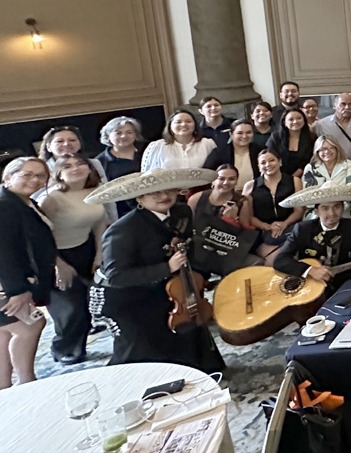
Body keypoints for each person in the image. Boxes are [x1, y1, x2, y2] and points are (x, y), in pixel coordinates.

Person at [90, 168, 225, 372]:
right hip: (122, 295)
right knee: (142, 343)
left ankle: (195, 371)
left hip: (165, 285)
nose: (164, 196)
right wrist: (167, 267)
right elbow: (117, 276)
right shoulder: (123, 230)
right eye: (155, 192)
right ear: (140, 198)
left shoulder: (182, 211)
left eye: (168, 189)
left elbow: (188, 246)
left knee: (186, 323)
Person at [0, 158, 55, 390]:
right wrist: (17, 290)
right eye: (27, 174)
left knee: (3, 335)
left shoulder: (21, 201)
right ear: (8, 178)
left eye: (41, 175)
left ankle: (0, 390)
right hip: (1, 285)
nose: (35, 180)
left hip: (1, 283)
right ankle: (27, 384)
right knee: (30, 326)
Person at [38, 155, 108, 364]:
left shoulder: (95, 191)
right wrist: (58, 264)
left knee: (88, 303)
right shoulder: (52, 198)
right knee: (70, 308)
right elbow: (41, 236)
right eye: (67, 166)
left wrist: (99, 254)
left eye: (80, 163)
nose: (75, 168)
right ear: (59, 173)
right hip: (56, 256)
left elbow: (99, 224)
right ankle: (62, 348)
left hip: (85, 249)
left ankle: (78, 348)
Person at [272, 185, 351, 288]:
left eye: (336, 206)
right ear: (316, 212)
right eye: (325, 208)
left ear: (343, 208)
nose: (331, 213)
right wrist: (310, 270)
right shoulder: (302, 229)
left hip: (343, 282)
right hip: (309, 284)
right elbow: (280, 260)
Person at [240, 147, 306, 263]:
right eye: (263, 162)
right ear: (258, 166)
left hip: (290, 226)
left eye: (272, 160)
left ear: (280, 162)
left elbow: (299, 211)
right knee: (275, 255)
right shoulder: (250, 186)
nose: (268, 165)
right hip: (263, 230)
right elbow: (248, 217)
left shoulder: (294, 181)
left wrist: (284, 224)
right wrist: (267, 226)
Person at [96, 116, 143, 217]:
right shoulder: (100, 162)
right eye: (118, 133)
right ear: (108, 136)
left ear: (135, 135)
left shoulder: (147, 152)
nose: (123, 136)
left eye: (129, 132)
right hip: (121, 214)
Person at [141, 110, 217, 171]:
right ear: (170, 126)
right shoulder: (157, 146)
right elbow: (146, 175)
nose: (183, 124)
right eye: (178, 122)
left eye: (188, 121)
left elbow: (217, 171)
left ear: (195, 125)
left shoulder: (207, 143)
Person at [312, 93, 351, 166]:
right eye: (342, 104)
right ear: (334, 106)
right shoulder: (322, 125)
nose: (347, 107)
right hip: (333, 165)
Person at [203, 119, 262, 188]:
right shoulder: (219, 152)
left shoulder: (259, 151)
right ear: (231, 134)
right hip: (226, 192)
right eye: (240, 133)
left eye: (248, 132)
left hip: (254, 191)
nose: (244, 136)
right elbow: (206, 174)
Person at [266, 109, 315, 177]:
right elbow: (270, 156)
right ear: (284, 123)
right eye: (291, 119)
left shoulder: (312, 138)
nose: (295, 121)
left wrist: (292, 178)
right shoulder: (276, 137)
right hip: (277, 175)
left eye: (299, 118)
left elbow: (309, 161)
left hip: (305, 175)